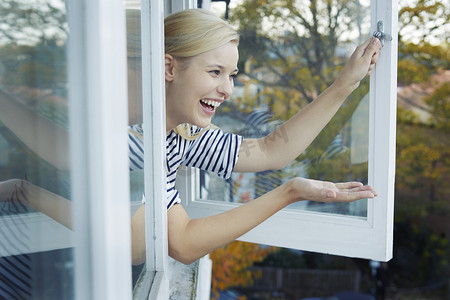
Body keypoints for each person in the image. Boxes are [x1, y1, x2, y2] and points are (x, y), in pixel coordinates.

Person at [0, 8, 381, 266]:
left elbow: (270, 149)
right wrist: (289, 192)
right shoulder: (134, 140)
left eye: (231, 75)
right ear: (168, 67)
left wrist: (346, 83)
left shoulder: (176, 132)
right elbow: (170, 244)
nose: (228, 89)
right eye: (215, 71)